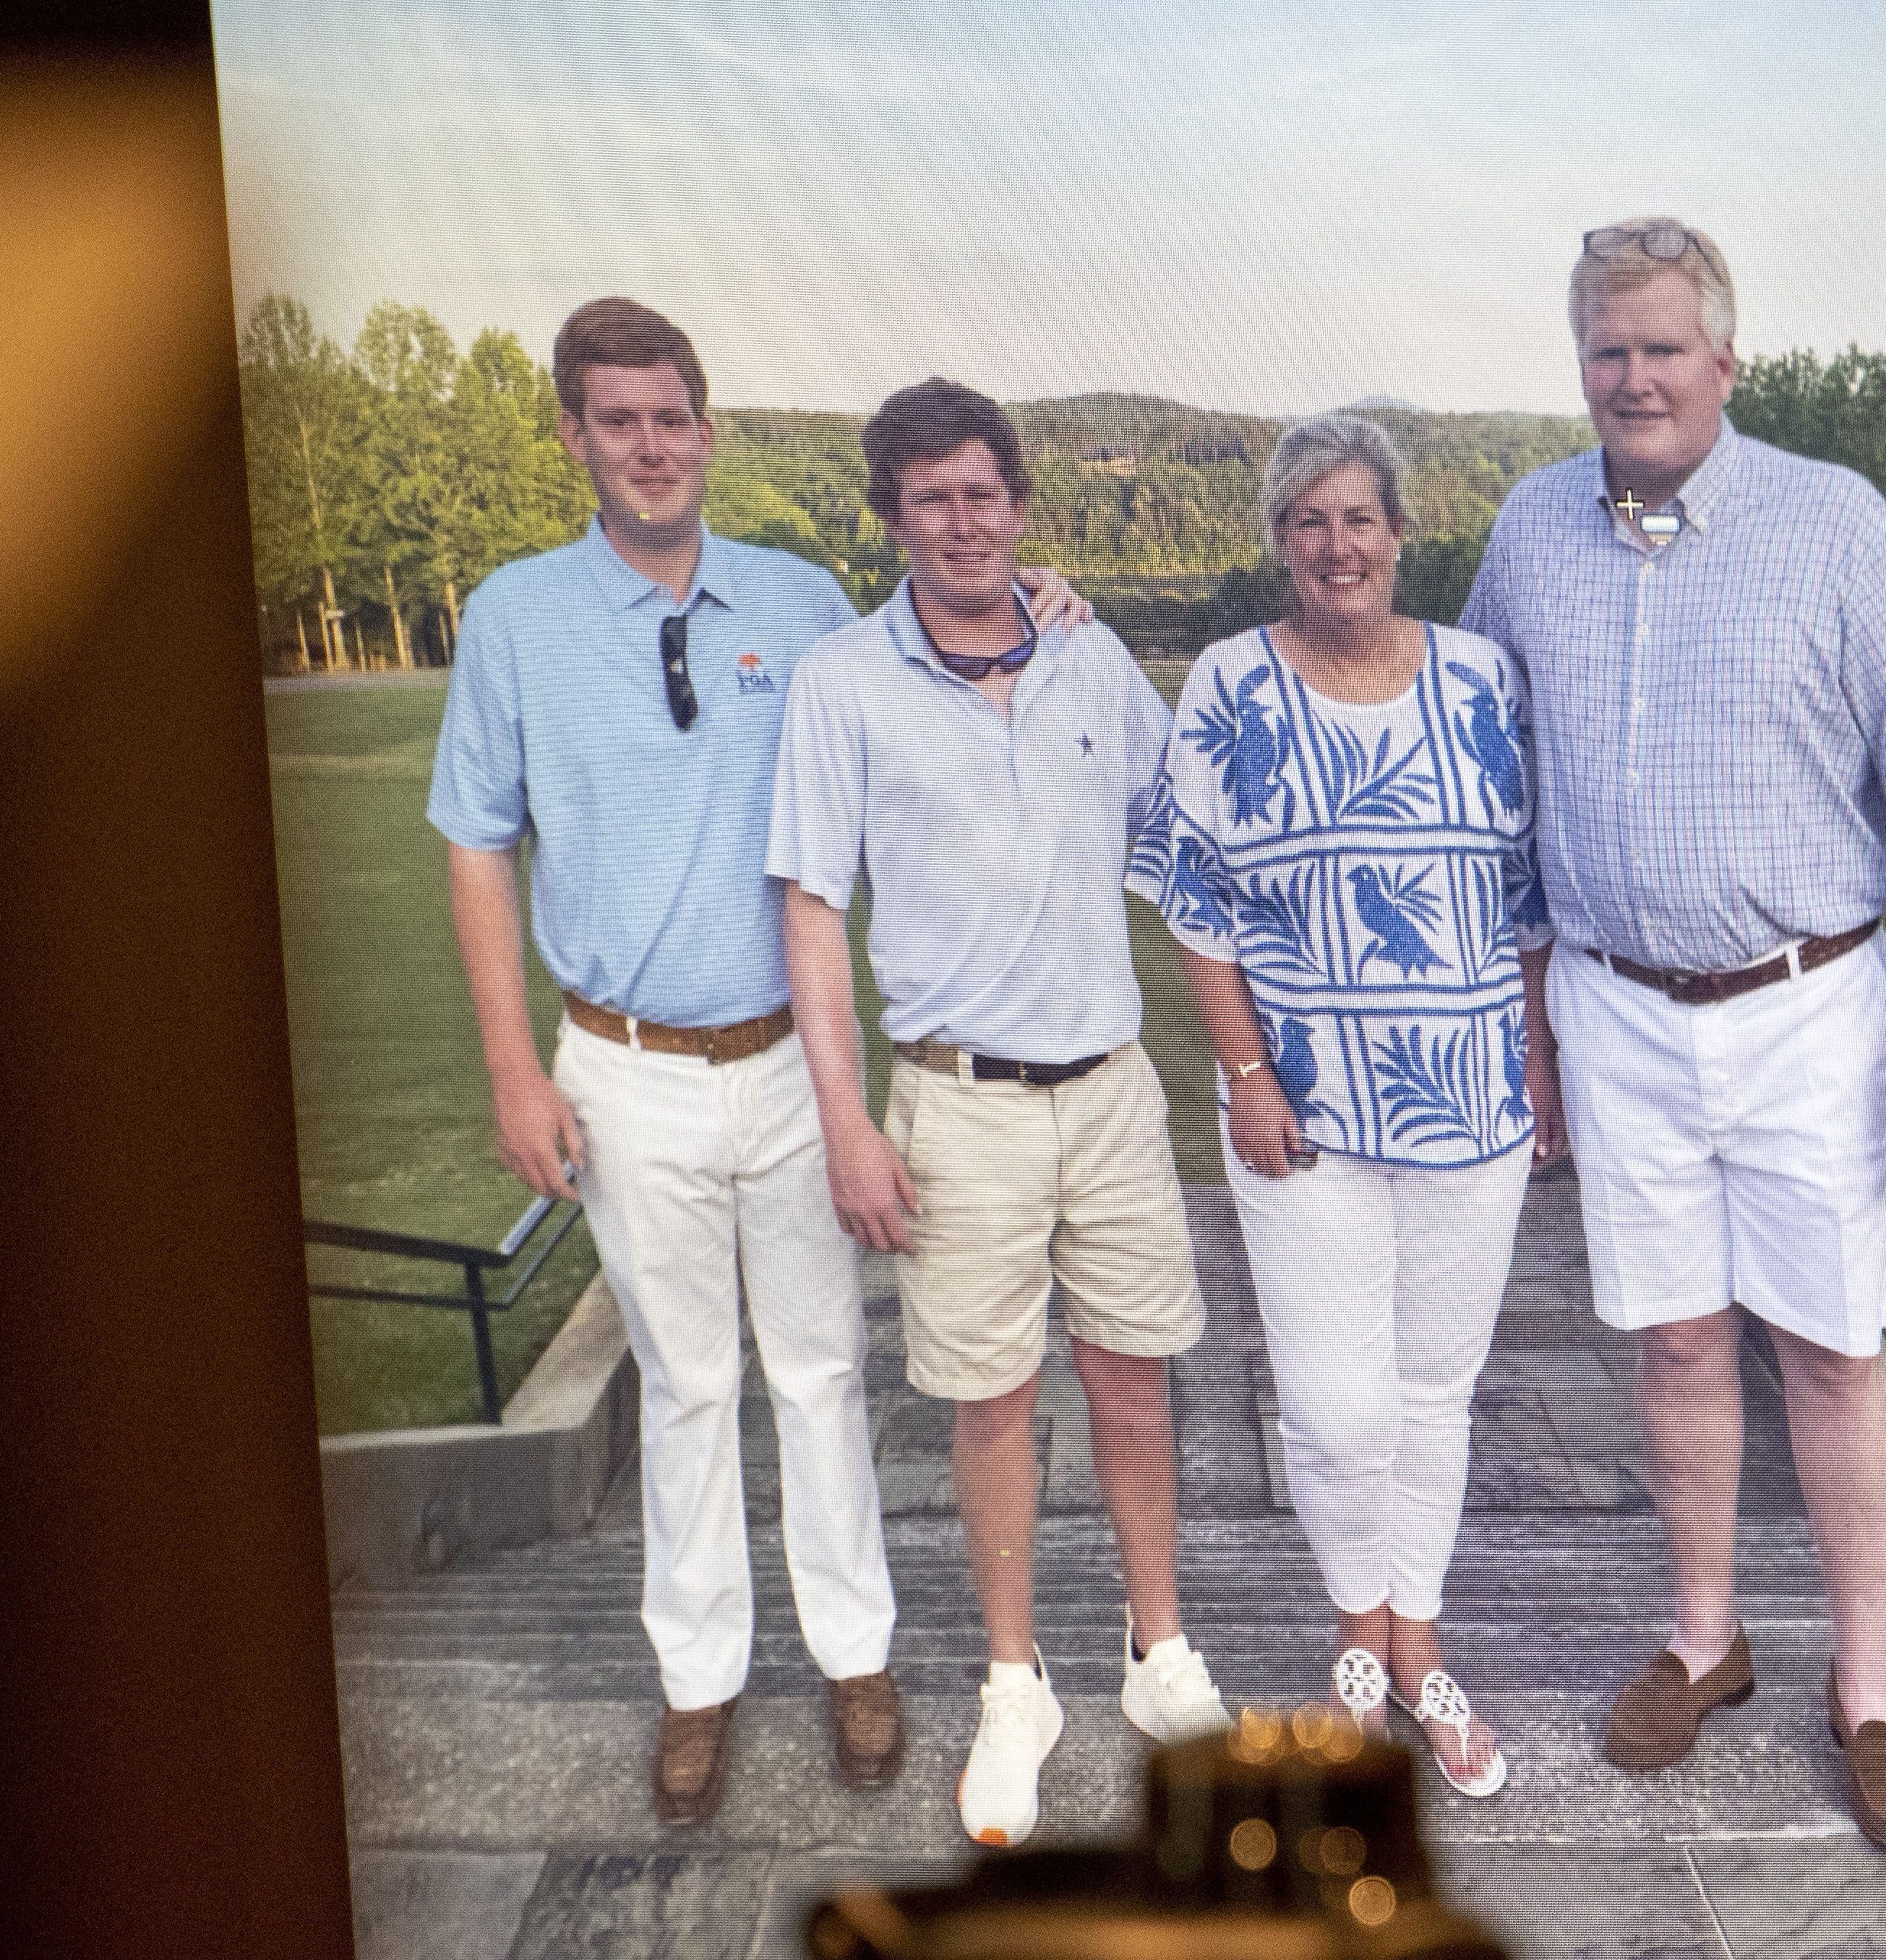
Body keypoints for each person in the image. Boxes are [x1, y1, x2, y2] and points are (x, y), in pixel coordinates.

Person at [427, 299, 1087, 1825]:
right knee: (685, 1383)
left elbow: (942, 633)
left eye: (672, 416)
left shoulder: (796, 603)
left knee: (820, 1370)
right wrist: (514, 1074)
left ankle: (854, 1655)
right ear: (574, 436)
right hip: (622, 1065)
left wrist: (1047, 597)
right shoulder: (515, 615)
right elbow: (476, 849)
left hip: (797, 1060)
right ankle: (698, 1680)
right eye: (617, 419)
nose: (649, 445)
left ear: (707, 431)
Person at [1458, 218, 1886, 1855]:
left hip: (1807, 1010)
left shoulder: (1834, 524)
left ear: (1722, 358)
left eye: (1659, 347)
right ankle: (1705, 1642)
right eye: (1604, 351)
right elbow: (1493, 773)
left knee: (1834, 1355)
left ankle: (1867, 1687)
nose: (1630, 376)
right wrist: (1534, 1016)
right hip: (1611, 1009)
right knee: (1676, 1341)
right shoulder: (1531, 527)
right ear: (1581, 365)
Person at [768, 378, 1232, 1849]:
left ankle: (1157, 1657)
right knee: (992, 1401)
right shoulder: (842, 682)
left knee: (1133, 1375)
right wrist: (845, 1122)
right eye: (928, 501)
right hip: (952, 1102)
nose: (960, 523)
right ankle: (1015, 1683)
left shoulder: (1093, 663)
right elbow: (808, 911)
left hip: (1110, 1090)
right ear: (889, 521)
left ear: (1017, 505)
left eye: (981, 494)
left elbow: (1189, 841)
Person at [1128, 414, 1558, 1799]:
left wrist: (1540, 1065)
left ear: (1398, 530)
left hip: (1472, 1107)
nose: (1337, 545)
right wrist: (1246, 1073)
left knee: (1436, 1394)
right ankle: (1351, 1635)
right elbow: (1197, 902)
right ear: (1279, 540)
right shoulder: (1230, 684)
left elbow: (1528, 896)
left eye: (1359, 518)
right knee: (1329, 1410)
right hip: (1297, 1119)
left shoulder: (1485, 678)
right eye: (1309, 522)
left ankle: (1410, 1646)